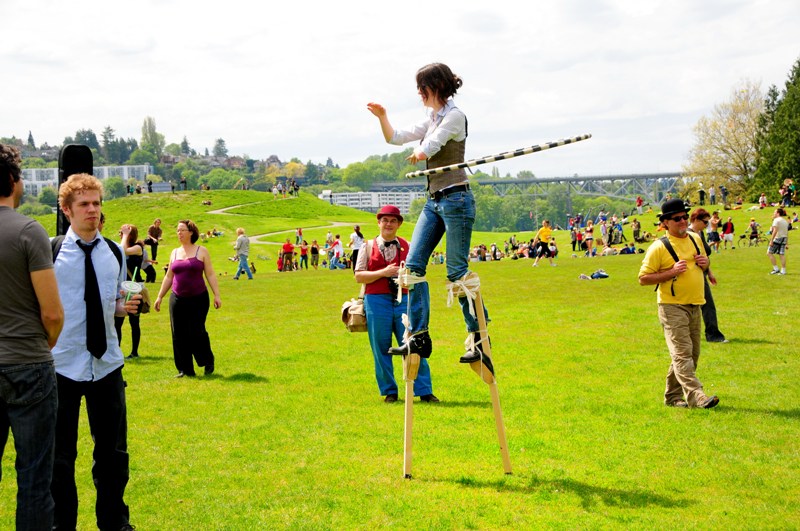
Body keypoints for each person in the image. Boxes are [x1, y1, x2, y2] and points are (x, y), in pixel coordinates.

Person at [367, 62, 489, 365]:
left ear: (433, 87)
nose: (419, 93)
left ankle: (479, 339)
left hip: (457, 199)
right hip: (434, 201)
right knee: (413, 267)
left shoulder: (455, 117)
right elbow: (395, 137)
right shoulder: (432, 118)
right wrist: (383, 117)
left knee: (457, 273)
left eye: (421, 87)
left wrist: (420, 152)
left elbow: (431, 147)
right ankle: (419, 336)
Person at [51, 173, 140, 530]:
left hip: (106, 365)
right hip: (62, 367)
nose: (92, 211)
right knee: (60, 458)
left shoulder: (114, 252)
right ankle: (61, 524)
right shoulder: (51, 251)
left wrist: (127, 306)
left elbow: (116, 301)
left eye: (96, 204)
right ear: (67, 210)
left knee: (113, 456)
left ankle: (115, 523)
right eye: (84, 204)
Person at [0, 143, 64, 530]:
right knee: (34, 479)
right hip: (27, 363)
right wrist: (45, 342)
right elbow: (52, 312)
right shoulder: (28, 230)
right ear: (13, 181)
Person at [638, 199, 719, 409]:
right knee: (683, 354)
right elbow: (643, 278)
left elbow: (704, 262)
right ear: (665, 222)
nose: (683, 221)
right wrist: (671, 272)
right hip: (672, 306)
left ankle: (672, 397)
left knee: (691, 354)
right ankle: (697, 397)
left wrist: (706, 264)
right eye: (677, 218)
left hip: (695, 304)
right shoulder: (658, 247)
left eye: (685, 216)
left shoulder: (695, 238)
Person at [355, 205, 438, 403]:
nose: (388, 224)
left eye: (393, 221)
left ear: (399, 224)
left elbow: (418, 273)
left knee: (414, 343)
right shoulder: (366, 246)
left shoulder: (409, 246)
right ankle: (390, 391)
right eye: (385, 220)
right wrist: (383, 273)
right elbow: (359, 276)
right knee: (381, 347)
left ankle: (424, 390)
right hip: (376, 301)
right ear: (378, 222)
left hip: (405, 300)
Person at [154, 220, 221, 377]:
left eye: (182, 230)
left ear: (191, 232)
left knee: (197, 331)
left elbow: (210, 274)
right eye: (177, 230)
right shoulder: (174, 253)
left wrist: (217, 295)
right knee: (178, 333)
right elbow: (169, 276)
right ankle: (185, 369)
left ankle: (207, 361)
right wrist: (160, 296)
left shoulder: (201, 251)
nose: (179, 233)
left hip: (198, 298)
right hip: (177, 298)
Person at [688, 209, 728, 343]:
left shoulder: (700, 234)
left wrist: (709, 272)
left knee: (706, 304)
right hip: (692, 275)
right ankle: (712, 334)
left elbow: (704, 255)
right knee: (704, 304)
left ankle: (711, 333)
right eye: (705, 222)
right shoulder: (689, 234)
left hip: (701, 273)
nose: (707, 224)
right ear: (695, 220)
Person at [116, 224, 145, 359]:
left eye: (123, 233)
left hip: (134, 287)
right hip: (122, 287)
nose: (121, 235)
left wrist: (126, 235)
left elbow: (123, 250)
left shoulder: (138, 247)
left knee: (134, 321)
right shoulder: (121, 245)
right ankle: (117, 351)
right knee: (118, 322)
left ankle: (135, 352)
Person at [767, 207, 789, 275]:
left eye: (775, 212)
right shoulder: (785, 221)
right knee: (781, 254)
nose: (774, 213)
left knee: (769, 253)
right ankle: (783, 270)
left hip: (778, 238)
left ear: (778, 213)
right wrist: (787, 243)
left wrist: (771, 240)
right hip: (784, 238)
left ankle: (776, 269)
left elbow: (775, 231)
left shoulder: (776, 220)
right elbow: (786, 232)